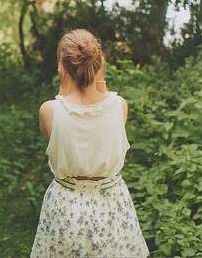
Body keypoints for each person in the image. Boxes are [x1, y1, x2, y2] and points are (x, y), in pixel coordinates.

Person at [31, 29, 149, 257]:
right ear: (99, 65)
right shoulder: (120, 106)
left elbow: (51, 138)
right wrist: (99, 79)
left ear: (62, 68)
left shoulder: (50, 111)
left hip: (67, 206)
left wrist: (63, 89)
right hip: (112, 204)